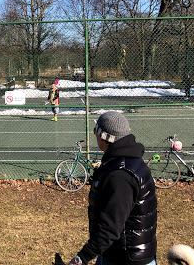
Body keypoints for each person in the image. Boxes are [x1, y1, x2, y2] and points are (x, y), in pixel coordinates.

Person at [67, 111, 157, 265]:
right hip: (116, 252)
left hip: (126, 259)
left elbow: (111, 227)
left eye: (96, 132)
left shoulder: (120, 176)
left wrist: (81, 258)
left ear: (104, 137)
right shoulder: (130, 161)